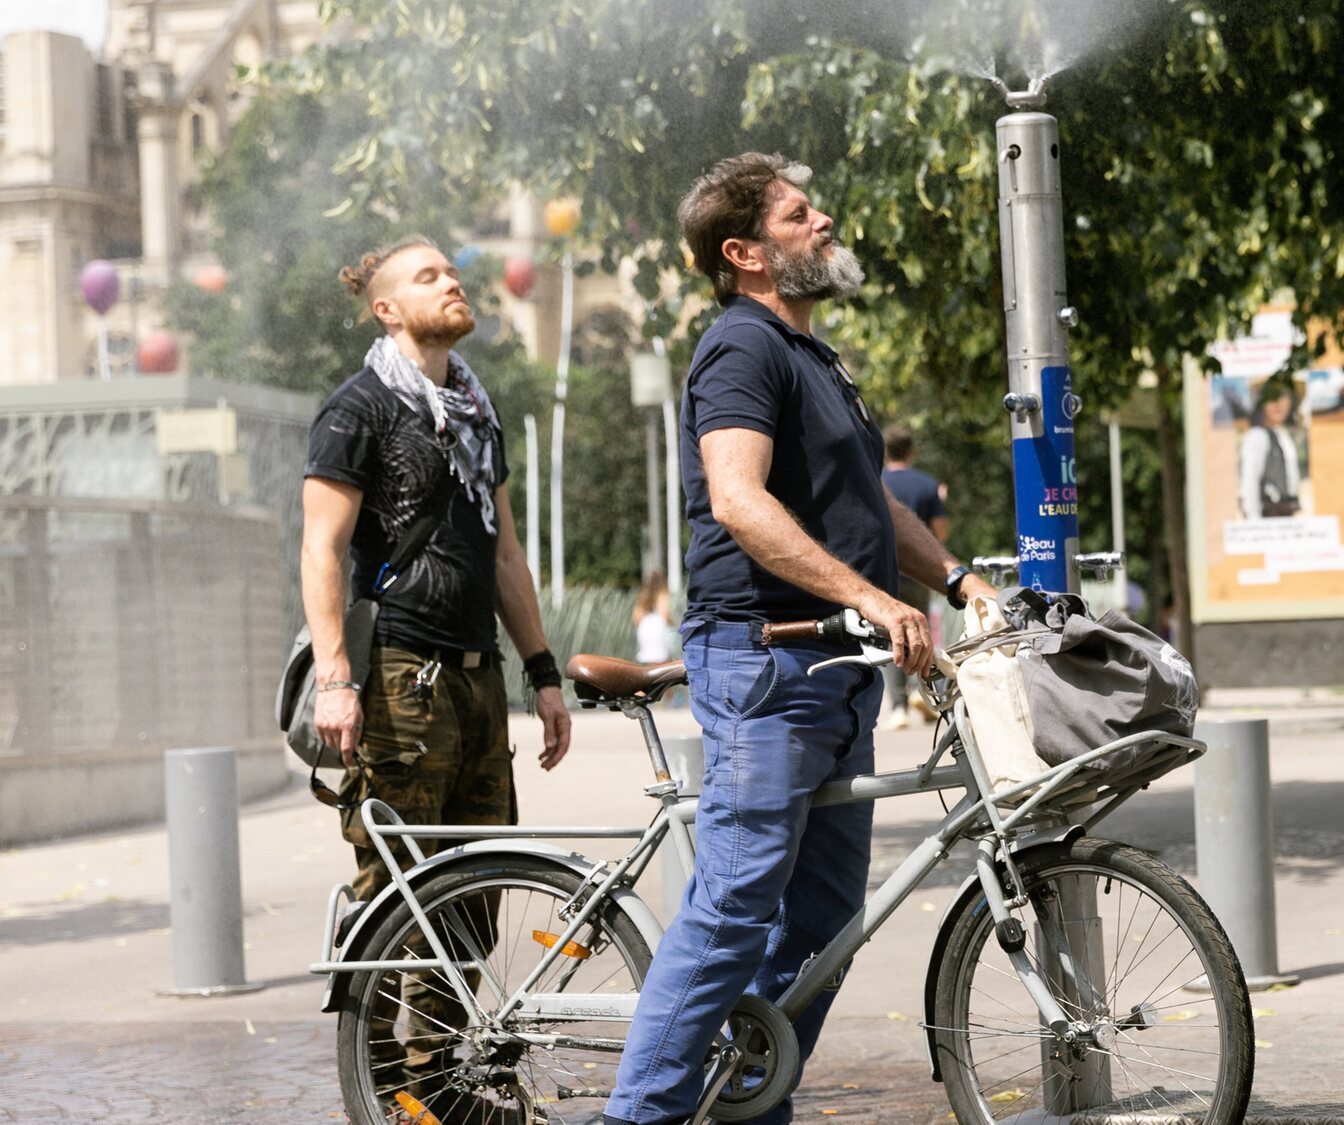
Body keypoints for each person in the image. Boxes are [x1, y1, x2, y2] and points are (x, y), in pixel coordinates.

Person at [604, 152, 994, 1125]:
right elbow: (738, 500)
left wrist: (958, 579)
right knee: (733, 912)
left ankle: (745, 1110)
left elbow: (865, 505)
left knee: (822, 923)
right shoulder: (742, 347)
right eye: (797, 213)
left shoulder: (816, 358)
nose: (824, 221)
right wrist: (871, 597)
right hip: (768, 661)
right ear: (745, 253)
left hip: (834, 671)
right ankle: (635, 1117)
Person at [300, 235, 571, 1112]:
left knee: (471, 896)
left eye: (452, 272)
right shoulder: (359, 408)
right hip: (400, 676)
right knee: (399, 897)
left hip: (474, 678)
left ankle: (443, 1087)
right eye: (428, 277)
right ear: (385, 308)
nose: (452, 282)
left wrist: (542, 669)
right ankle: (390, 1096)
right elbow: (322, 548)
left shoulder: (475, 411)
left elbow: (505, 554)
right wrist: (336, 679)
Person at [879, 424, 950, 730]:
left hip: (883, 572)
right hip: (918, 572)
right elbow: (941, 531)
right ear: (911, 451)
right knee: (920, 630)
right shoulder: (927, 485)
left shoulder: (874, 481)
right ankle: (923, 691)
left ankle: (898, 706)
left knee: (889, 635)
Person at [1238, 384, 1302, 518]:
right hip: (1268, 519)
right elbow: (1250, 485)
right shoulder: (1257, 436)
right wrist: (1254, 523)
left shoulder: (1285, 436)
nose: (1277, 403)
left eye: (1283, 397)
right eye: (1271, 397)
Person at [633, 569, 674, 664]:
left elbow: (636, 618)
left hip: (645, 628)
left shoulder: (643, 596)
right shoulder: (663, 594)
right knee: (662, 663)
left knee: (650, 662)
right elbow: (664, 614)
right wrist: (673, 623)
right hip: (658, 628)